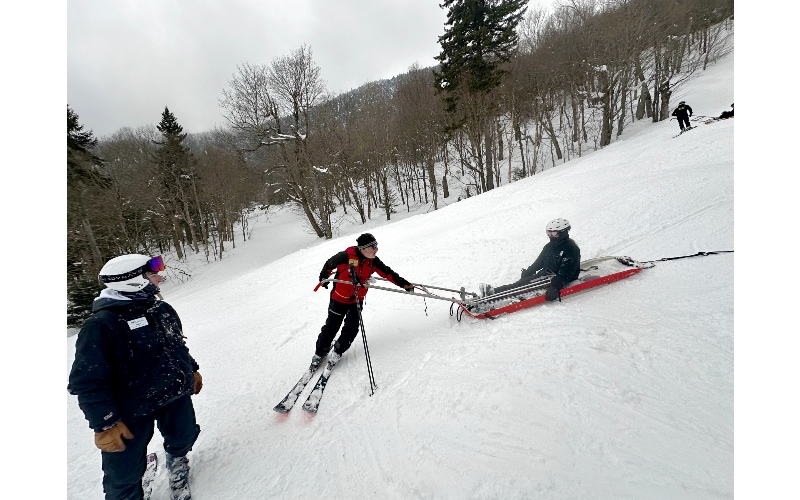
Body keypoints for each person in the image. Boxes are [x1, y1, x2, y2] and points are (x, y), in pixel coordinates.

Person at [68, 254, 202, 500]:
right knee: (123, 474)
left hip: (172, 393)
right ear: (133, 282)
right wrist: (105, 422)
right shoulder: (101, 326)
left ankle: (177, 459)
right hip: (129, 409)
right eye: (152, 275)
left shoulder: (161, 309)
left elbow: (176, 344)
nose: (160, 278)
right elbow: (88, 382)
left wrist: (190, 369)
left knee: (184, 436)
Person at [314, 233, 414, 366]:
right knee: (331, 327)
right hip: (339, 299)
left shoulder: (373, 261)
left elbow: (388, 273)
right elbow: (329, 265)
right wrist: (323, 278)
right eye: (373, 246)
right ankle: (320, 352)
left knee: (352, 328)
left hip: (357, 299)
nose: (377, 249)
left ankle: (338, 350)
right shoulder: (345, 256)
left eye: (376, 245)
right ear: (363, 248)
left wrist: (404, 284)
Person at [480, 218, 581, 302]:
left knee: (522, 286)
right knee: (521, 283)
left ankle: (494, 294)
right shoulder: (549, 246)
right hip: (546, 275)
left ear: (563, 233)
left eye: (553, 233)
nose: (550, 236)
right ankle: (493, 292)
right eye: (549, 233)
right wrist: (529, 272)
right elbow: (539, 262)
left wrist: (555, 287)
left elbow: (566, 273)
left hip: (555, 279)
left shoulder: (571, 249)